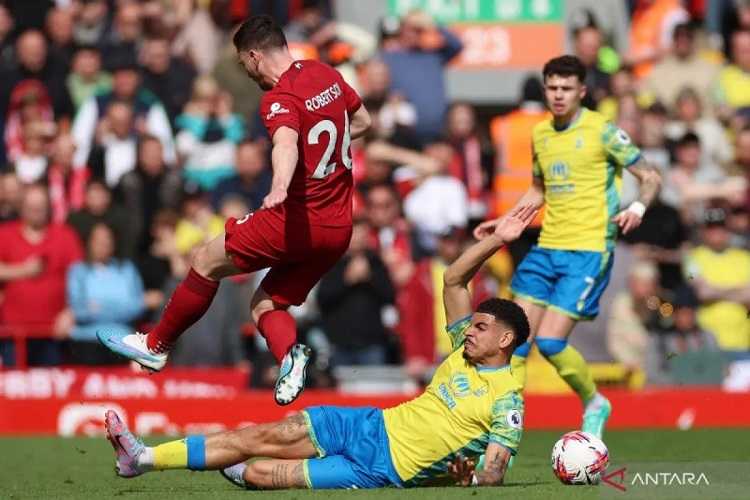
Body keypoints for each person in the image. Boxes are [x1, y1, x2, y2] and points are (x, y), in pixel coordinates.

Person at [102, 204, 535, 489]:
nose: (469, 332)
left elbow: (495, 468)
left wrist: (474, 479)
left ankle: (233, 462)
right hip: (369, 426)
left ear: (505, 339)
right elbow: (454, 279)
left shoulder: (506, 400)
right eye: (472, 325)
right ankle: (143, 458)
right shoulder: (462, 349)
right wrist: (499, 239)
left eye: (480, 327)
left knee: (263, 471)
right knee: (266, 434)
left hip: (383, 469)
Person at [98, 15, 371, 406]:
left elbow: (286, 144)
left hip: (295, 219)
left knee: (206, 259)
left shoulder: (279, 98)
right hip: (338, 228)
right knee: (265, 304)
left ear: (255, 55)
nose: (246, 73)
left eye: (244, 64)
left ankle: (156, 345)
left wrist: (278, 186)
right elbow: (363, 120)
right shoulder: (323, 74)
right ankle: (290, 357)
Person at [475, 56, 662, 438]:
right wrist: (508, 219)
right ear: (544, 90)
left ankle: (595, 401)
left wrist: (638, 207)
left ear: (581, 91)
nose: (558, 96)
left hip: (589, 251)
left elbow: (650, 175)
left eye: (565, 89)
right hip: (546, 248)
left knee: (550, 341)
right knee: (513, 342)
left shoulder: (603, 131)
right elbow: (538, 189)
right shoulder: (541, 134)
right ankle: (501, 429)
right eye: (552, 88)